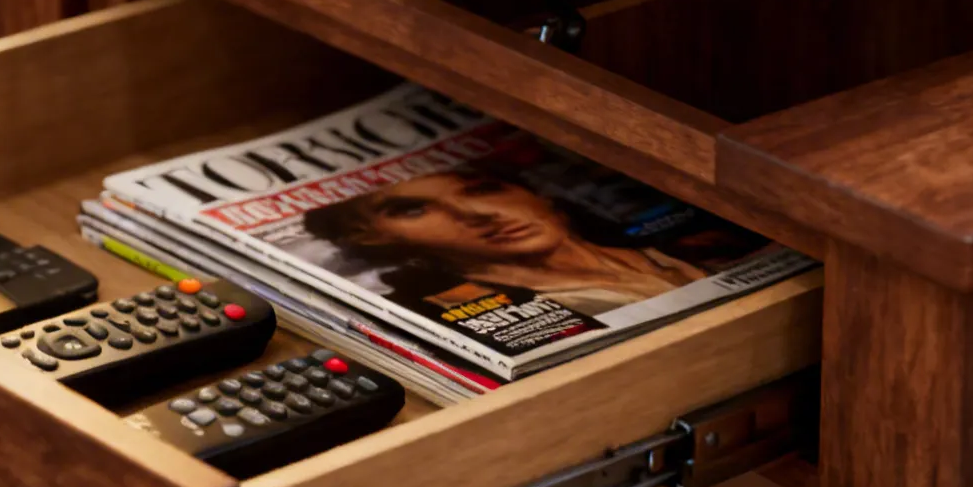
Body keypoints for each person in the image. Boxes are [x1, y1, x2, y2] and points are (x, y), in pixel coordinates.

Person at [302, 168, 709, 317]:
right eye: (413, 210)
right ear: (371, 237)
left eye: (485, 190)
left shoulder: (686, 248)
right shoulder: (486, 308)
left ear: (539, 195)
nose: (477, 214)